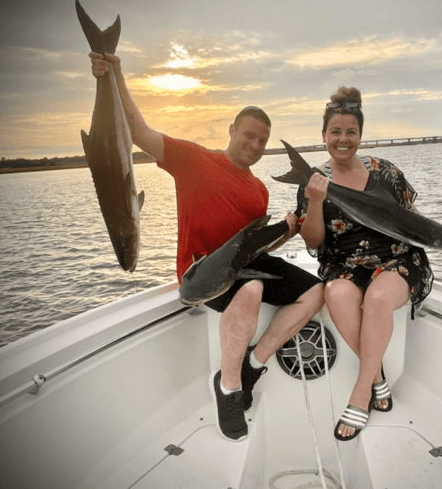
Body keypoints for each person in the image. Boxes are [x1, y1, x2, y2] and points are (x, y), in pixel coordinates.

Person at [89, 52, 324, 442]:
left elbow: (255, 243)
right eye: (249, 135)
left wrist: (290, 230)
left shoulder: (260, 189)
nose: (255, 144)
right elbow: (139, 132)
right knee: (251, 287)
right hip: (202, 274)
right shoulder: (194, 159)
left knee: (316, 291)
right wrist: (115, 75)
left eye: (262, 141)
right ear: (231, 130)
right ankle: (230, 389)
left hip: (245, 262)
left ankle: (254, 363)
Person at [296, 86, 442, 441]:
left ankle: (362, 394)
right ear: (323, 136)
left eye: (351, 132)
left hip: (397, 259)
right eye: (336, 132)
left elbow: (414, 220)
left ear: (360, 135)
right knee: (338, 294)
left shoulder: (386, 172)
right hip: (344, 264)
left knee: (377, 300)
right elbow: (313, 241)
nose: (343, 139)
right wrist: (314, 201)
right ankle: (377, 376)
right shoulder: (314, 181)